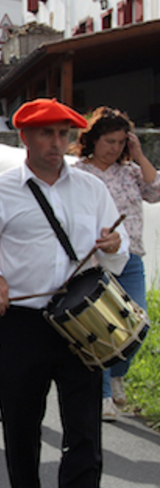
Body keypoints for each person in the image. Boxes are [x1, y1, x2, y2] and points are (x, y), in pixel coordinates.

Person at [0, 98, 128, 488]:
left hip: (81, 323)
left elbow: (115, 257)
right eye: (46, 133)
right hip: (22, 323)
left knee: (85, 431)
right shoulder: (0, 190)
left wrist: (113, 245)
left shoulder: (92, 189)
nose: (56, 142)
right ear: (25, 137)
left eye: (63, 134)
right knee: (21, 427)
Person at [70, 106, 159, 420]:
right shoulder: (79, 172)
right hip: (96, 259)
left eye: (121, 142)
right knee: (101, 326)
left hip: (131, 255)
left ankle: (118, 374)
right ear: (93, 140)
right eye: (110, 141)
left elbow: (156, 191)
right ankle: (104, 395)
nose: (115, 148)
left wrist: (138, 154)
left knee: (139, 322)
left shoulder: (131, 171)